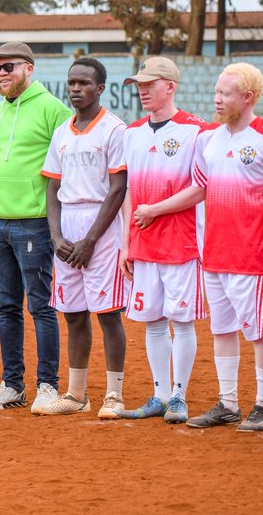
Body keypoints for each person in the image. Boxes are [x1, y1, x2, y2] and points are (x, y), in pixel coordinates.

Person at [133, 62, 263, 432]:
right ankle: (228, 404)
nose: (217, 99)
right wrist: (156, 209)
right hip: (215, 254)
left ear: (248, 97)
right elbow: (200, 188)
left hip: (252, 255)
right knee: (222, 331)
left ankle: (262, 404)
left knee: (258, 333)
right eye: (217, 92)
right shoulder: (210, 139)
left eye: (225, 93)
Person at [117, 57, 210, 423]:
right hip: (143, 243)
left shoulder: (196, 131)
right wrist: (126, 241)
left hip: (182, 242)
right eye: (139, 83)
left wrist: (155, 209)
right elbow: (127, 191)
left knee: (181, 320)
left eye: (150, 83)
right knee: (152, 320)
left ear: (170, 86)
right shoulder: (133, 132)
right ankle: (158, 395)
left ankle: (179, 397)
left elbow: (201, 189)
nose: (142, 90)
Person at [0, 43, 72, 412]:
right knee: (6, 308)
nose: (2, 73)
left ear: (29, 69)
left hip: (34, 225)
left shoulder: (53, 109)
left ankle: (48, 385)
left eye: (9, 67)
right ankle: (12, 385)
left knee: (41, 307)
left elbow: (72, 159)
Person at [38, 58, 129, 418]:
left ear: (100, 88)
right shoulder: (62, 131)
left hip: (100, 226)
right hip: (67, 224)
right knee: (73, 314)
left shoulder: (114, 129)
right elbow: (52, 186)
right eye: (72, 82)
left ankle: (114, 395)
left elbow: (118, 188)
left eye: (84, 83)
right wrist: (56, 235)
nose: (76, 89)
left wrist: (90, 239)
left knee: (107, 314)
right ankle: (76, 395)